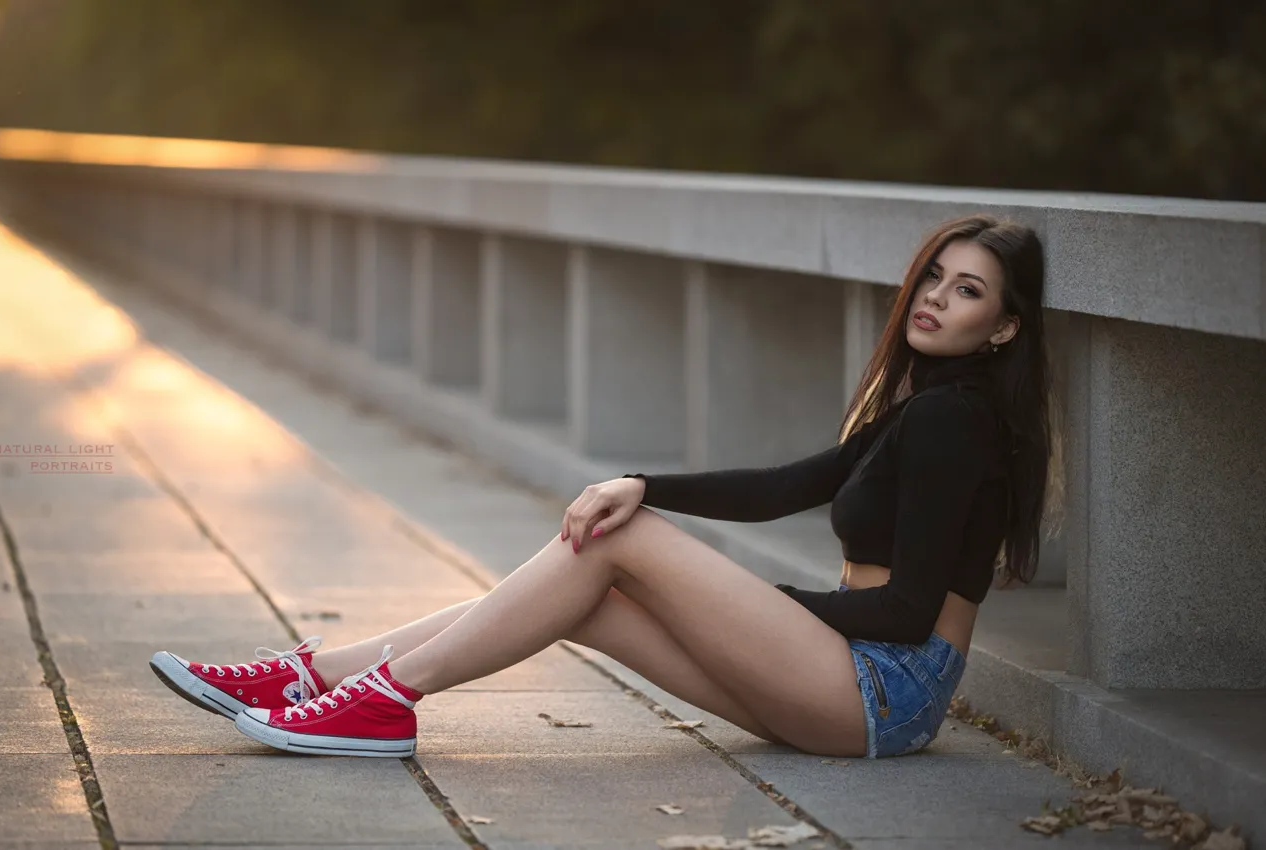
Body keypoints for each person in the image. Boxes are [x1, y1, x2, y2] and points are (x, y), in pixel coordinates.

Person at [149, 213, 1059, 760]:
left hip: (884, 691)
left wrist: (751, 605)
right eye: (932, 276)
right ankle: (317, 677)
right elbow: (788, 486)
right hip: (851, 694)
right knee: (582, 586)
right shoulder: (918, 408)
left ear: (1006, 328)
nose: (935, 297)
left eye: (968, 290)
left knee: (618, 541)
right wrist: (642, 480)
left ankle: (380, 700)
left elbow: (906, 615)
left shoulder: (956, 420)